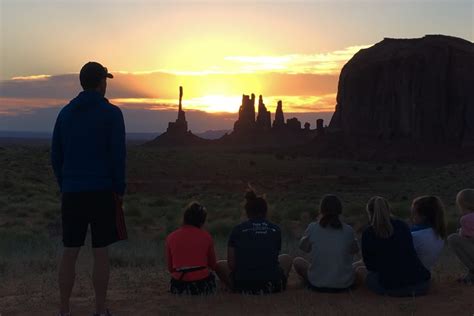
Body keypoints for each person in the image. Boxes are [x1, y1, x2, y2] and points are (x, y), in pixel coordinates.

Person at [51, 61, 126, 316]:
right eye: (105, 80)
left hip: (72, 191)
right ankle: (99, 309)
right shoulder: (112, 114)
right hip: (102, 191)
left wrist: (65, 184)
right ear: (100, 82)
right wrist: (119, 190)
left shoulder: (65, 113)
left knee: (70, 252)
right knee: (100, 252)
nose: (106, 84)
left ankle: (64, 310)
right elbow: (118, 156)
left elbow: (56, 155)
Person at [215, 189, 292, 294]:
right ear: (266, 211)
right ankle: (281, 284)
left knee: (219, 265)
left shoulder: (237, 230)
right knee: (286, 258)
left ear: (247, 212)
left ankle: (233, 286)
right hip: (272, 284)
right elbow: (274, 257)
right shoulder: (275, 229)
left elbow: (231, 265)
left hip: (243, 285)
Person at [361, 196, 431, 297]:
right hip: (422, 285)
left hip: (393, 288)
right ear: (388, 210)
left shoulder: (368, 233)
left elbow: (370, 266)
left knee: (360, 271)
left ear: (369, 212)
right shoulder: (402, 226)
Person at [293, 195, 359, 292]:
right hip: (344, 285)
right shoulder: (348, 230)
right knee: (359, 265)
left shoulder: (313, 227)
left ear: (321, 210)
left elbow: (303, 247)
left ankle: (307, 284)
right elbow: (355, 250)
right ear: (339, 210)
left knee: (297, 261)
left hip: (317, 284)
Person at [165, 202, 218, 295]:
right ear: (201, 221)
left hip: (179, 285)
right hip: (202, 285)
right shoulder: (206, 236)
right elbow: (213, 265)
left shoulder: (171, 237)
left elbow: (171, 268)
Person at [410, 196, 447, 270]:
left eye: (414, 213)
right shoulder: (439, 234)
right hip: (425, 274)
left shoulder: (415, 236)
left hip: (411, 276)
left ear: (423, 216)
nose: (412, 216)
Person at [448, 189, 474, 285]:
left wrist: (460, 231)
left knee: (453, 238)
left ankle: (472, 272)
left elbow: (466, 236)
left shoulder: (465, 219)